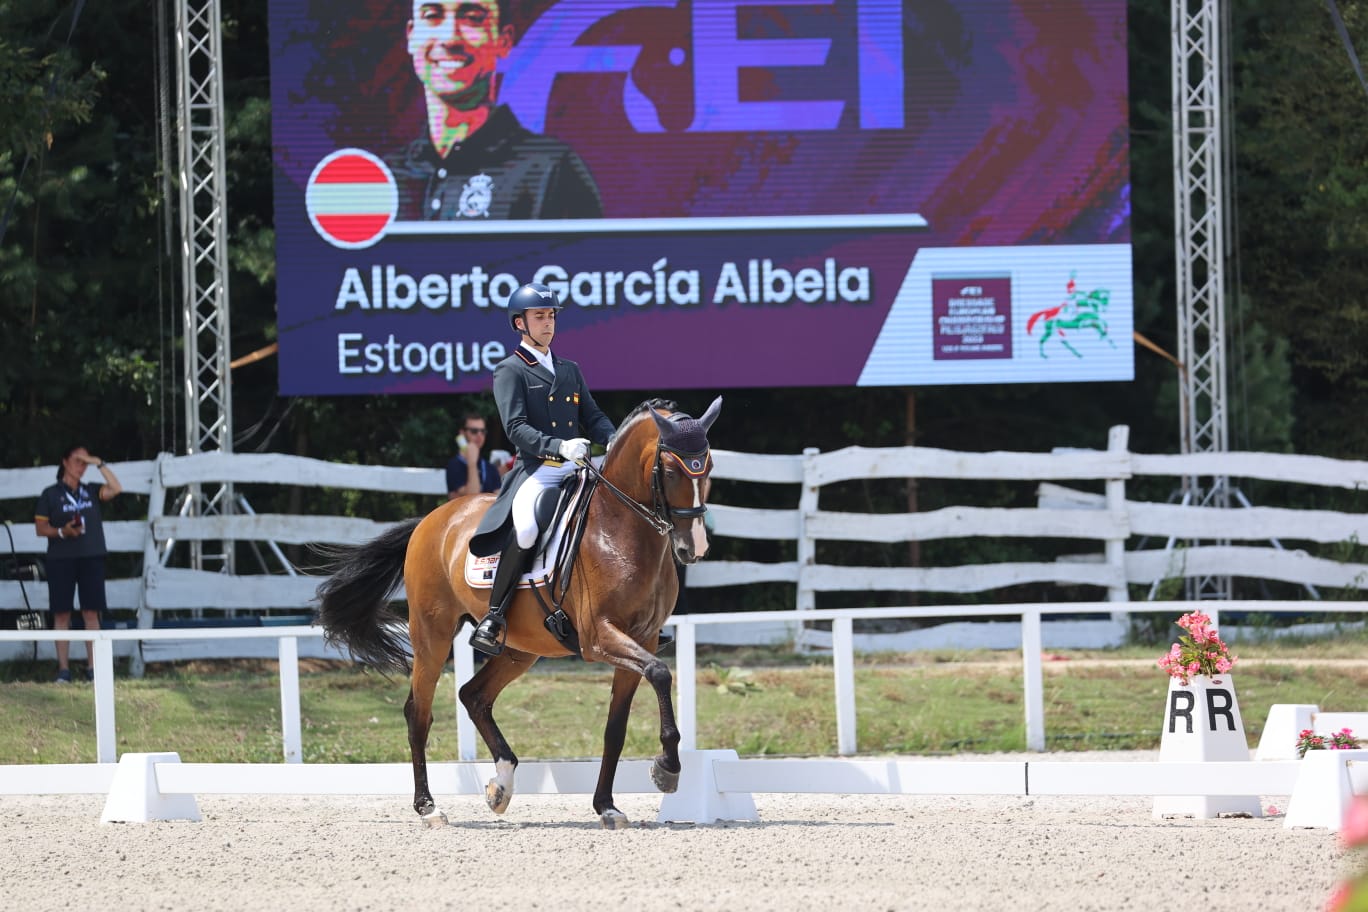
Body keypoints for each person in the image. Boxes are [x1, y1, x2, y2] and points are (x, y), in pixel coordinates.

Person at [467, 281, 615, 655]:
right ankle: (494, 616)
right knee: (529, 526)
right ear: (520, 323)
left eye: (550, 316)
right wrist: (559, 446)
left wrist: (613, 439)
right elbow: (516, 428)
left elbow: (593, 416)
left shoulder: (570, 369)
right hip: (538, 469)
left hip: (577, 466)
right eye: (539, 317)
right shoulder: (511, 370)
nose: (548, 323)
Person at [387, 0, 603, 221]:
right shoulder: (382, 180)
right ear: (411, 36)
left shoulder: (550, 170)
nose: (450, 38)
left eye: (472, 18)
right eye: (432, 15)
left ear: (504, 40)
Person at [33, 446, 122, 683]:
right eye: (77, 461)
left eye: (85, 463)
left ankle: (93, 668)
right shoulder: (50, 494)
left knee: (91, 612)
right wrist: (62, 532)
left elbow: (116, 488)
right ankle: (64, 669)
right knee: (62, 613)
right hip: (61, 559)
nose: (81, 466)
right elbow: (40, 528)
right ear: (64, 462)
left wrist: (98, 461)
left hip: (91, 556)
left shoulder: (90, 490)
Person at [446, 412, 503, 499]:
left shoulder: (490, 468)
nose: (479, 435)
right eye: (474, 431)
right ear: (462, 433)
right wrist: (472, 463)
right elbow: (470, 498)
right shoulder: (454, 465)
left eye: (483, 431)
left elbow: (498, 499)